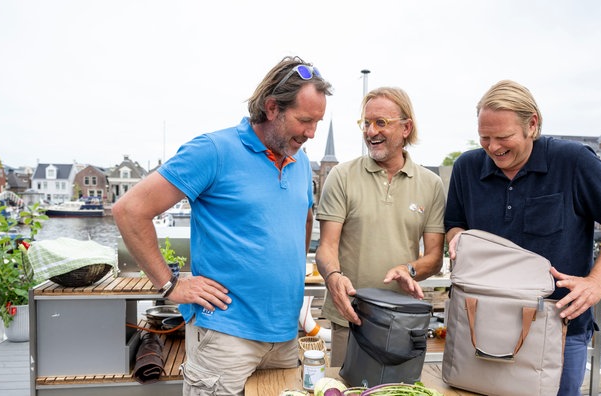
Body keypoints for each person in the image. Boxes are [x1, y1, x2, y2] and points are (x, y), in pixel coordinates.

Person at [112, 56, 332, 395]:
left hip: (286, 336)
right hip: (225, 337)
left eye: (317, 121)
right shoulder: (214, 150)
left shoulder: (300, 161)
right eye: (305, 120)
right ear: (272, 107)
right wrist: (170, 285)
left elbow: (303, 218)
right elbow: (129, 211)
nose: (312, 133)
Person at [444, 79, 601, 396]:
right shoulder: (466, 167)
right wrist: (458, 237)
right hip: (481, 321)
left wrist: (598, 281)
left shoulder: (575, 161)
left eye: (503, 137)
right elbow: (454, 223)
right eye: (485, 138)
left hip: (560, 325)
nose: (493, 148)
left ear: (532, 124)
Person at [315, 86, 446, 367]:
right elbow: (326, 247)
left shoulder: (431, 185)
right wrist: (334, 276)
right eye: (366, 123)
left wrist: (409, 269)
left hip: (402, 320)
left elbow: (434, 258)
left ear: (406, 127)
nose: (370, 131)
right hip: (349, 316)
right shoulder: (341, 176)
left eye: (381, 123)